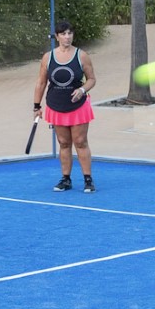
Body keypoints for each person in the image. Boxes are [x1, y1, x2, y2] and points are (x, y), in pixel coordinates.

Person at [32, 20, 97, 193]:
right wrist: (36, 106)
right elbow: (41, 82)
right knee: (63, 143)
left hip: (78, 106)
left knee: (80, 142)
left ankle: (88, 180)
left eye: (70, 33)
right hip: (56, 105)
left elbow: (91, 79)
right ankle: (66, 179)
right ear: (57, 36)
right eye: (63, 34)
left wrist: (82, 90)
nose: (67, 37)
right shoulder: (48, 58)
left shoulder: (82, 56)